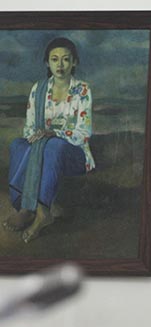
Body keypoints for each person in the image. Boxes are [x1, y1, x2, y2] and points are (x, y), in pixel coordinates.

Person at [4, 37, 95, 242]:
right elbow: (29, 127)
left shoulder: (83, 90)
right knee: (18, 144)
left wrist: (54, 134)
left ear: (74, 62)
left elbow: (83, 132)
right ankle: (27, 207)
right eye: (55, 59)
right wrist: (36, 136)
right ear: (47, 62)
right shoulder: (38, 89)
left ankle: (43, 211)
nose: (60, 65)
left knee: (53, 146)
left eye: (65, 59)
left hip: (73, 153)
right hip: (43, 146)